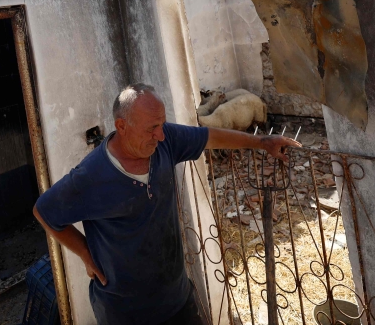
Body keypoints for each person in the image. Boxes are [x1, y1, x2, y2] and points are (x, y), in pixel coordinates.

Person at [33, 83, 301, 325]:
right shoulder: (90, 176)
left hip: (177, 299)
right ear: (122, 126)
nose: (160, 135)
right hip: (125, 312)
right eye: (151, 128)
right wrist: (84, 253)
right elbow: (44, 211)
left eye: (162, 124)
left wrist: (262, 142)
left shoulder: (165, 141)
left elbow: (208, 137)